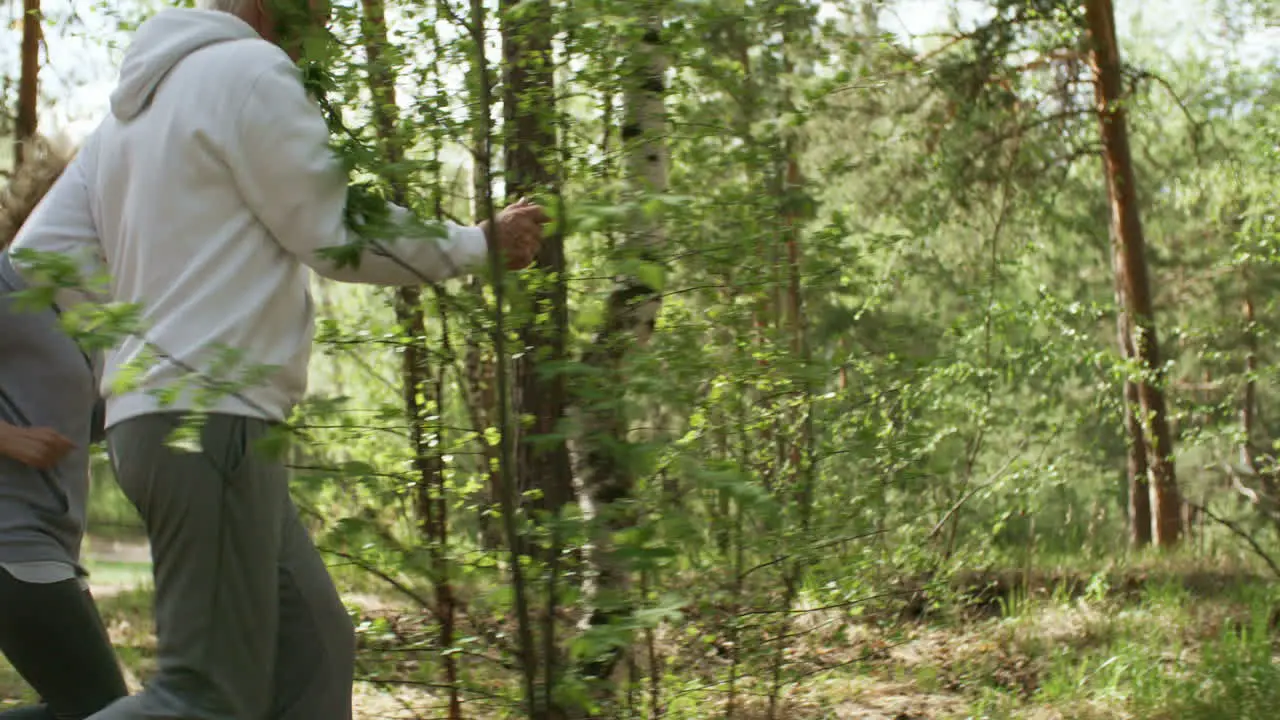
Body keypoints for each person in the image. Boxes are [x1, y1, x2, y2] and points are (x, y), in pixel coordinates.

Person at [9, 0, 547, 718]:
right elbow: (334, 231)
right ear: (270, 8)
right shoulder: (249, 70)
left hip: (185, 426)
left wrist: (139, 350)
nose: (322, 38)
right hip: (212, 420)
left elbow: (41, 259)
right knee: (202, 698)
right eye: (318, 16)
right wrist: (477, 244)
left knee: (316, 645)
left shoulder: (129, 118)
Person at [0, 139, 129, 719]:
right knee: (99, 709)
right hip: (11, 539)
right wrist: (8, 438)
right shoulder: (8, 283)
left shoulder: (81, 316)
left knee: (84, 708)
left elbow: (84, 423)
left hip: (50, 543)